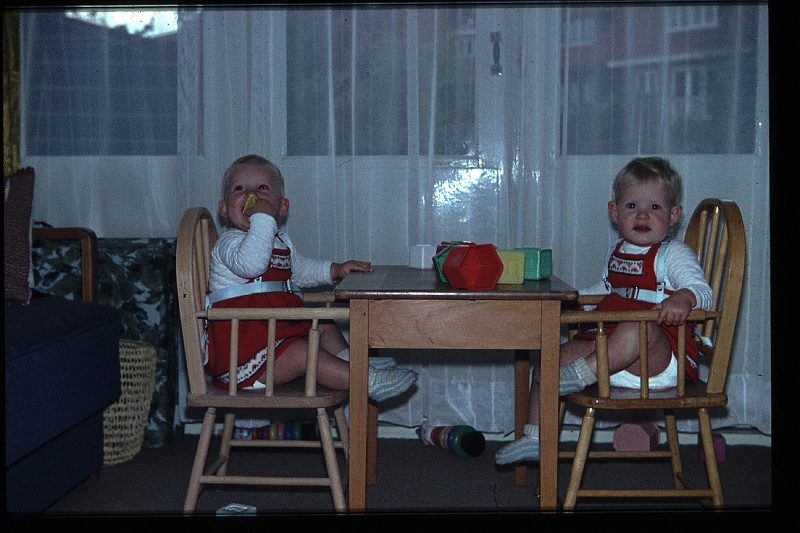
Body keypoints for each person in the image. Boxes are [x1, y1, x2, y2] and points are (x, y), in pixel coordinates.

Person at [495, 157, 713, 465]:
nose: (642, 215)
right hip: (612, 360)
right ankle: (535, 438)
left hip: (660, 363)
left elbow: (704, 293)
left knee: (638, 327)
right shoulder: (616, 252)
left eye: (654, 208)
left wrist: (683, 297)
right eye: (631, 206)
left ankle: (578, 375)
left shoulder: (673, 254)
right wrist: (569, 299)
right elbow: (605, 292)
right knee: (548, 360)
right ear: (614, 212)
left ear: (673, 215)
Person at [206, 154, 417, 402]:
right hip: (243, 356)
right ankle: (367, 380)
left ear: (282, 207)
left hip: (274, 333)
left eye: (263, 188)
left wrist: (335, 270)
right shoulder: (228, 243)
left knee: (324, 325)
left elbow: (301, 270)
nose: (252, 195)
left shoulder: (280, 241)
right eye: (239, 188)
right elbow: (252, 265)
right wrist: (262, 218)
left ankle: (350, 363)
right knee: (306, 353)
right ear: (224, 208)